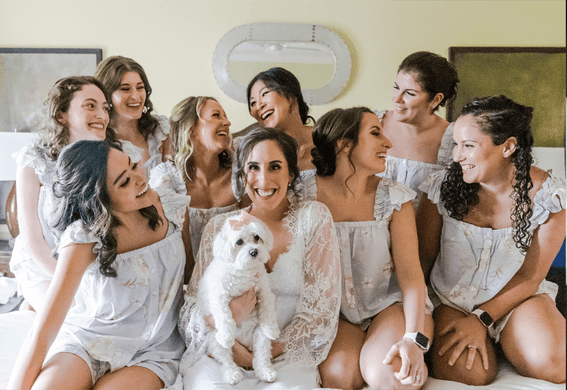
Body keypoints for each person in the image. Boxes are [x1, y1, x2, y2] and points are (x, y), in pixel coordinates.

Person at [8, 139, 189, 390]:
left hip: (153, 351)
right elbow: (42, 332)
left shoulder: (169, 203)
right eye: (124, 181)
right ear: (100, 199)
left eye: (133, 164)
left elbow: (194, 271)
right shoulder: (84, 237)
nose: (139, 178)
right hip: (89, 340)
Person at [175, 128, 341, 389]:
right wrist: (230, 324)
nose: (264, 179)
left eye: (275, 167)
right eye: (253, 167)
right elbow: (192, 309)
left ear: (291, 173)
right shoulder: (220, 228)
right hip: (223, 351)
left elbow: (321, 309)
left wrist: (265, 352)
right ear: (242, 175)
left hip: (287, 353)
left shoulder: (314, 218)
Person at [417, 95, 566, 385]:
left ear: (508, 146)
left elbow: (531, 275)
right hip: (453, 299)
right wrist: (416, 318)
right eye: (456, 144)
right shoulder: (439, 190)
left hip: (518, 297)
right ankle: (496, 344)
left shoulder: (550, 196)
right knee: (469, 375)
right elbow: (423, 258)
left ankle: (508, 338)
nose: (457, 156)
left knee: (555, 365)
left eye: (469, 146)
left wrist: (482, 320)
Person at [301, 107, 433, 390]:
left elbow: (411, 275)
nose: (388, 143)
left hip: (390, 306)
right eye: (375, 133)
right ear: (344, 143)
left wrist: (413, 338)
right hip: (334, 313)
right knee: (339, 377)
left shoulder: (395, 197)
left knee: (392, 377)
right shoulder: (302, 195)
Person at [10, 76, 116, 314]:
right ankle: (33, 300)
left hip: (90, 266)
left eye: (105, 108)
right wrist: (68, 282)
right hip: (42, 264)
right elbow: (32, 239)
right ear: (61, 115)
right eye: (90, 105)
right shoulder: (34, 159)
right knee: (73, 313)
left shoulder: (113, 158)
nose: (102, 114)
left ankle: (31, 308)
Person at [149, 96, 242, 274]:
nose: (227, 122)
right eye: (217, 115)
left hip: (235, 279)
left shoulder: (240, 173)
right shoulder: (168, 180)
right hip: (183, 281)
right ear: (191, 130)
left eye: (225, 116)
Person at [376, 51, 459, 208]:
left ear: (436, 99)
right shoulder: (371, 125)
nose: (397, 98)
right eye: (396, 87)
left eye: (409, 93)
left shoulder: (454, 141)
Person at [95, 55, 170, 173]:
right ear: (106, 95)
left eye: (140, 87)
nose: (136, 97)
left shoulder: (161, 131)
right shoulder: (98, 142)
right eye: (125, 89)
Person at [246, 67, 316, 173]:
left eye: (264, 94)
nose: (259, 106)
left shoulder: (330, 137)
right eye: (253, 103)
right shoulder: (259, 153)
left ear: (291, 95)